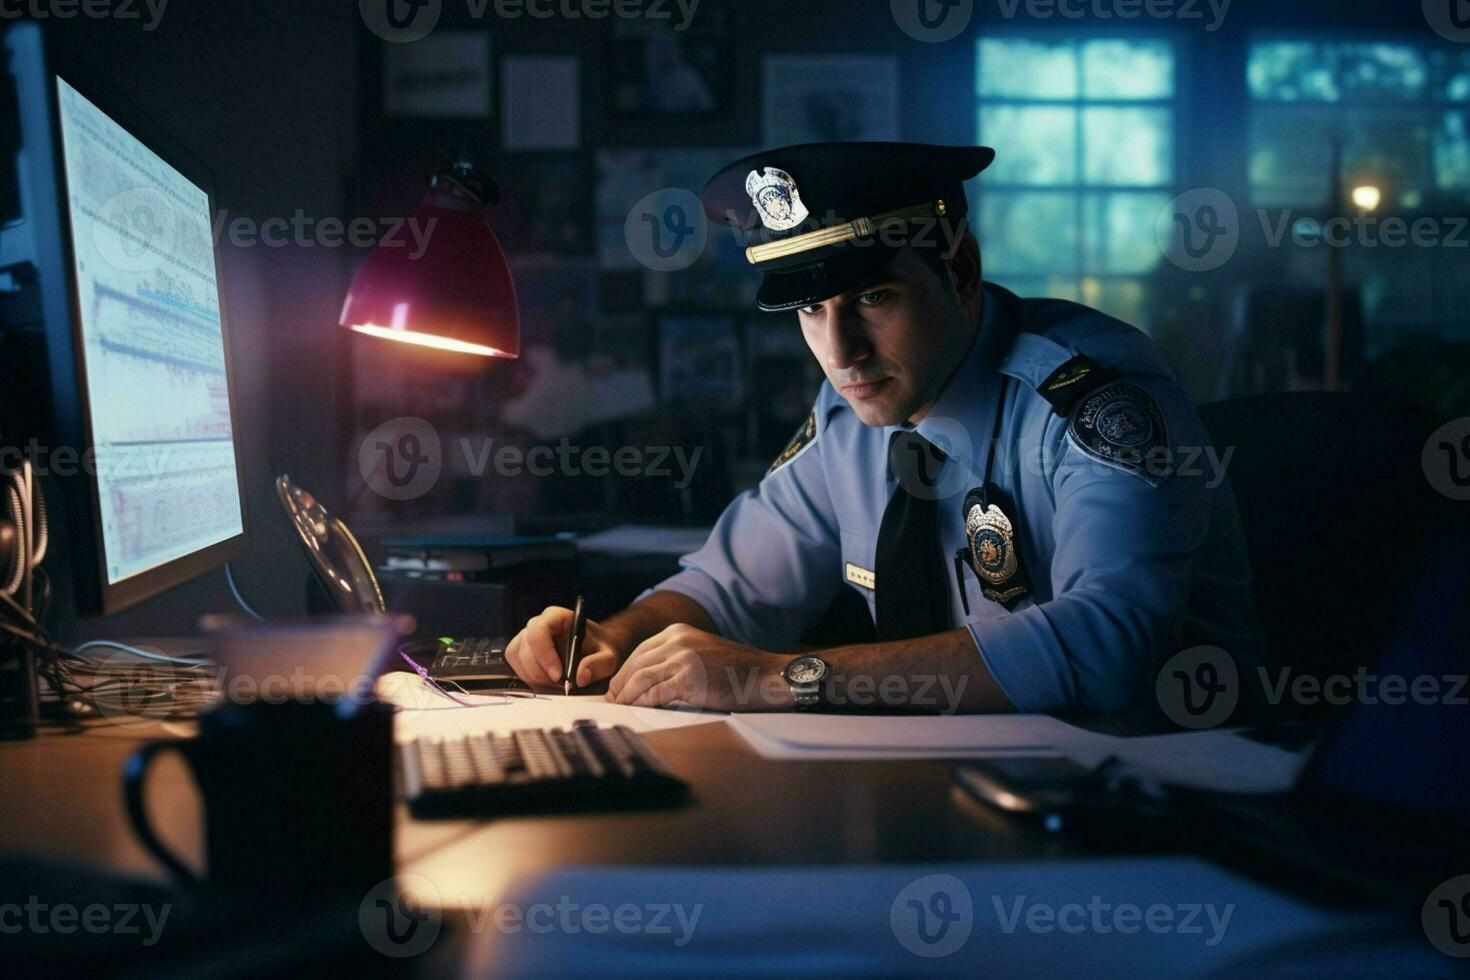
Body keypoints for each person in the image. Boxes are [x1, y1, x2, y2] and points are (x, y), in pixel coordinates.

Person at [505, 142, 1263, 715]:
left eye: (872, 296)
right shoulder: (853, 415)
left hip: (1166, 803)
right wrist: (617, 635)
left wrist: (778, 678)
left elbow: (1112, 648)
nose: (841, 353)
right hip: (956, 786)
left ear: (958, 270)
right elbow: (731, 585)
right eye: (810, 310)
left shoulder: (1096, 399)